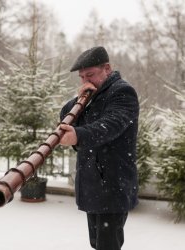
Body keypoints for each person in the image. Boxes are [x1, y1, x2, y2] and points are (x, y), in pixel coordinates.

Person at [59, 46, 139, 250]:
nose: (86, 80)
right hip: (92, 185)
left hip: (112, 185)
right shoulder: (90, 95)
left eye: (91, 75)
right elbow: (65, 116)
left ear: (107, 69)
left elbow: (111, 125)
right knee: (96, 243)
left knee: (108, 245)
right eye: (82, 77)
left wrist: (78, 135)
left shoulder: (122, 92)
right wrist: (79, 100)